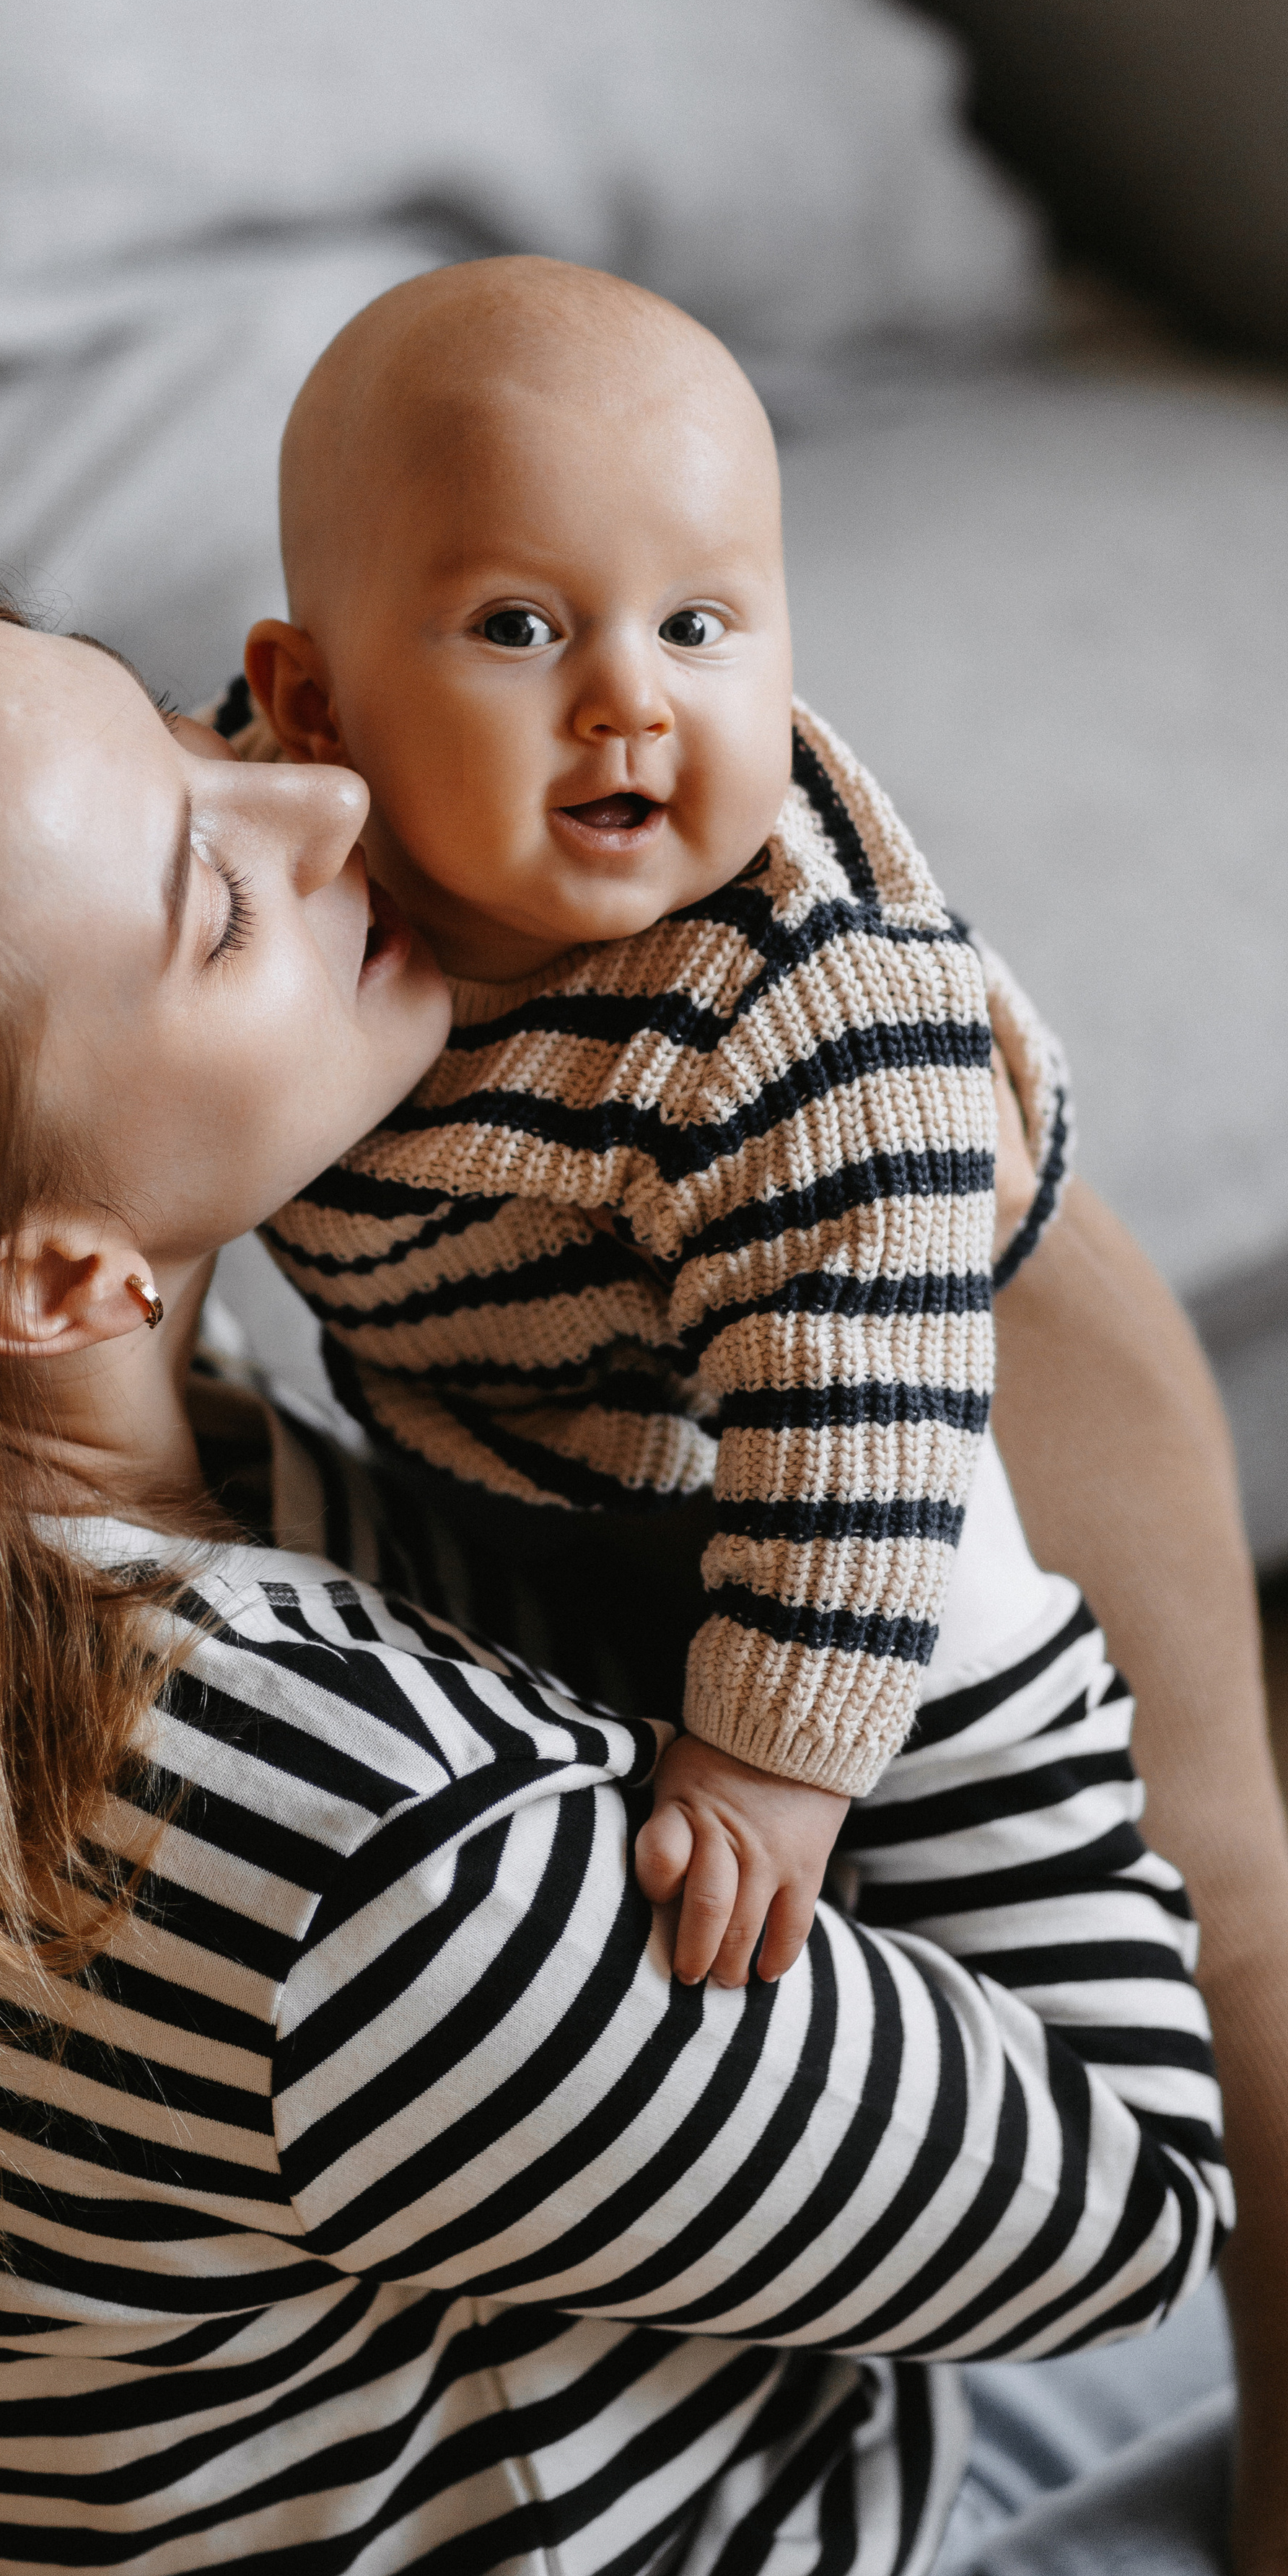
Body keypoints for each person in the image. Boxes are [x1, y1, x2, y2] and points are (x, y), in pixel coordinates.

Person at [0, 592, 1256, 2576]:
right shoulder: (355, 1853)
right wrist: (904, 1491)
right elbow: (1132, 2201)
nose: (328, 795)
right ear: (62, 1278)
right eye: (217, 902)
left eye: (189, 730)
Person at [237, 256, 1066, 1992]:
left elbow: (856, 1420)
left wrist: (770, 1755)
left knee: (1166, 1852)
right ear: (310, 704)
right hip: (560, 1422)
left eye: (697, 626)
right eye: (520, 628)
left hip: (926, 1368)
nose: (631, 698)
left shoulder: (788, 1008)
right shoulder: (246, 842)